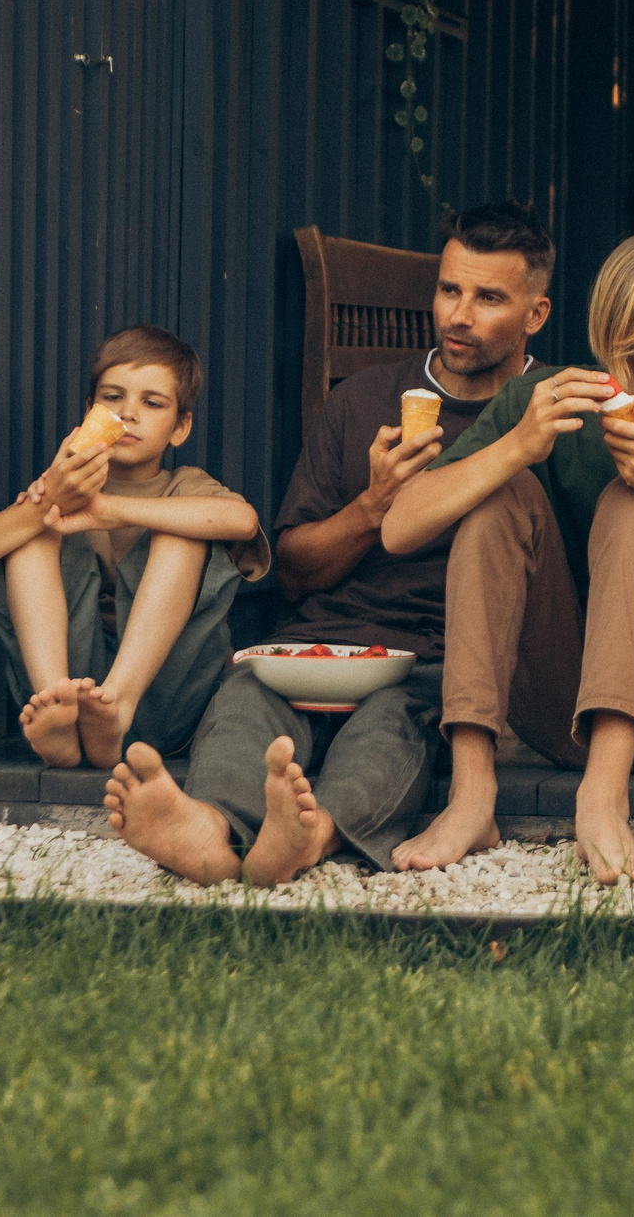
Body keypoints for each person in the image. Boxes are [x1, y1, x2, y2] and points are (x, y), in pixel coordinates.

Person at [101, 201, 555, 885]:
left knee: (392, 729)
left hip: (438, 657)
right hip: (324, 638)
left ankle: (310, 835)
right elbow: (293, 569)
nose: (459, 314)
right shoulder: (366, 399)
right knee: (246, 696)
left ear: (535, 315)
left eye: (488, 297)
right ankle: (209, 826)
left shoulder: (547, 413)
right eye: (449, 289)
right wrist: (371, 507)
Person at [382, 232, 634, 881]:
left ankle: (603, 797)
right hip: (553, 711)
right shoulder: (547, 400)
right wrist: (515, 447)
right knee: (496, 496)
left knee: (632, 501)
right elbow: (398, 529)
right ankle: (472, 793)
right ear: (625, 333)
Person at [0, 326, 269, 772]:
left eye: (152, 403)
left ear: (180, 427)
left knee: (182, 530)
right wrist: (48, 504)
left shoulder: (184, 485)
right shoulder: (62, 486)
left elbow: (243, 521)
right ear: (89, 411)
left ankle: (118, 704)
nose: (128, 413)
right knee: (34, 533)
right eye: (112, 398)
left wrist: (108, 509)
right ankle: (56, 710)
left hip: (167, 697)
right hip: (75, 693)